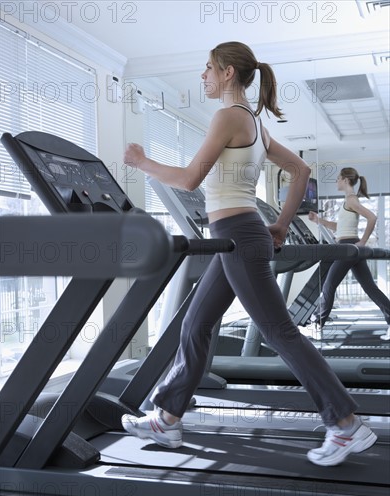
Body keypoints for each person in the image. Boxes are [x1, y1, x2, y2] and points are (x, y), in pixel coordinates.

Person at [121, 42, 377, 467]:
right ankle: (167, 418)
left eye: (207, 69)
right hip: (241, 232)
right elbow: (301, 171)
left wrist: (142, 162)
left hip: (237, 233)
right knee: (196, 322)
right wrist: (278, 225)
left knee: (279, 332)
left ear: (225, 73)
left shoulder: (228, 117)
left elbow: (188, 180)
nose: (202, 76)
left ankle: (345, 424)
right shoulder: (255, 124)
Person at [307, 168, 390, 342]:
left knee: (328, 285)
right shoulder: (349, 201)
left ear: (345, 180)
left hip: (348, 248)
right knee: (370, 288)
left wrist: (362, 242)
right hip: (349, 246)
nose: (336, 181)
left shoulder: (351, 199)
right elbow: (340, 228)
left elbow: (372, 217)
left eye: (338, 179)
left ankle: (316, 325)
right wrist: (318, 221)